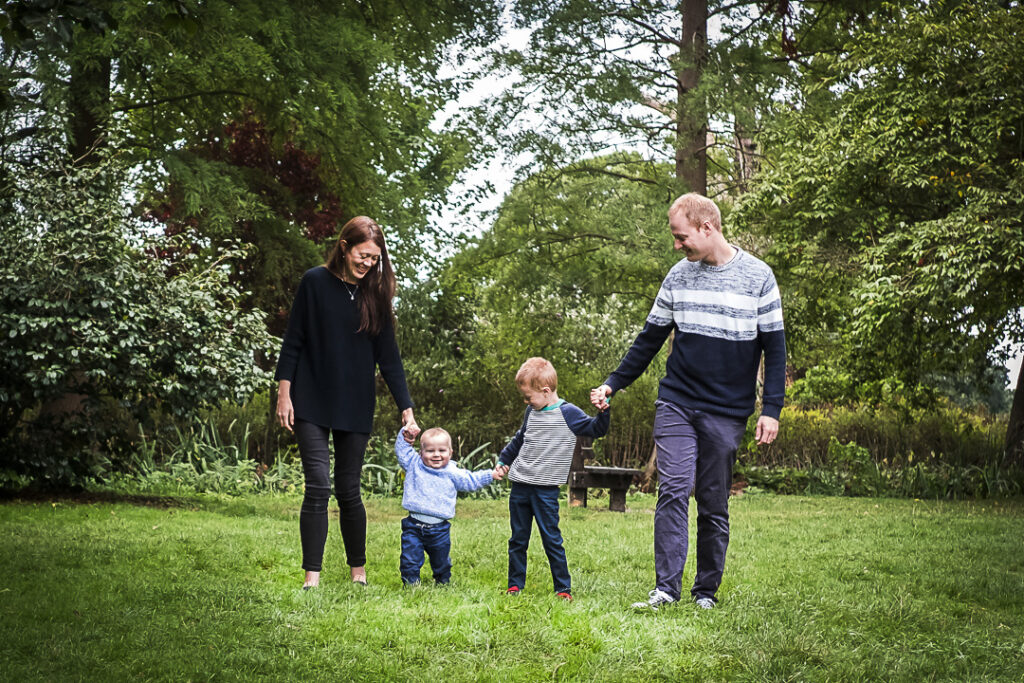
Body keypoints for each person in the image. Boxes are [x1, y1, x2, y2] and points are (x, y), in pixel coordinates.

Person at [590, 193, 786, 611]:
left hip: (727, 410)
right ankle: (665, 589)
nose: (677, 246)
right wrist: (613, 384)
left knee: (713, 501)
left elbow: (775, 346)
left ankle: (706, 593)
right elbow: (649, 339)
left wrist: (771, 409)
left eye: (681, 238)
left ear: (707, 228)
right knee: (674, 488)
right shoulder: (678, 276)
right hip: (677, 400)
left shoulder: (758, 277)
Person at [275, 215, 419, 590]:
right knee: (318, 485)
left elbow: (389, 358)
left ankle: (358, 572)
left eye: (374, 258)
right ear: (344, 246)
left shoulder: (376, 295)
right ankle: (312, 577)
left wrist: (406, 407)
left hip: (355, 403)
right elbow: (293, 341)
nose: (368, 263)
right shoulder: (314, 282)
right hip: (310, 398)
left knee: (348, 489)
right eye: (362, 255)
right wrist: (284, 393)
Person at [495, 357, 610, 601]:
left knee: (552, 540)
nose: (526, 401)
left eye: (528, 397)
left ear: (546, 391)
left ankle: (562, 589)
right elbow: (519, 439)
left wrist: (603, 412)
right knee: (518, 539)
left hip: (545, 491)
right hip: (520, 487)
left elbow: (596, 429)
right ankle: (515, 585)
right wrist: (504, 461)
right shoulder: (531, 411)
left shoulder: (568, 413)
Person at [394, 427, 504, 585]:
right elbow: (402, 450)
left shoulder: (452, 472)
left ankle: (443, 581)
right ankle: (411, 584)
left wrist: (491, 475)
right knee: (409, 559)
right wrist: (406, 432)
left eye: (442, 450)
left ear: (451, 453)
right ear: (421, 452)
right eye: (430, 451)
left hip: (439, 530)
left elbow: (471, 480)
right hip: (413, 526)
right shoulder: (414, 464)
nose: (436, 454)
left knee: (441, 562)